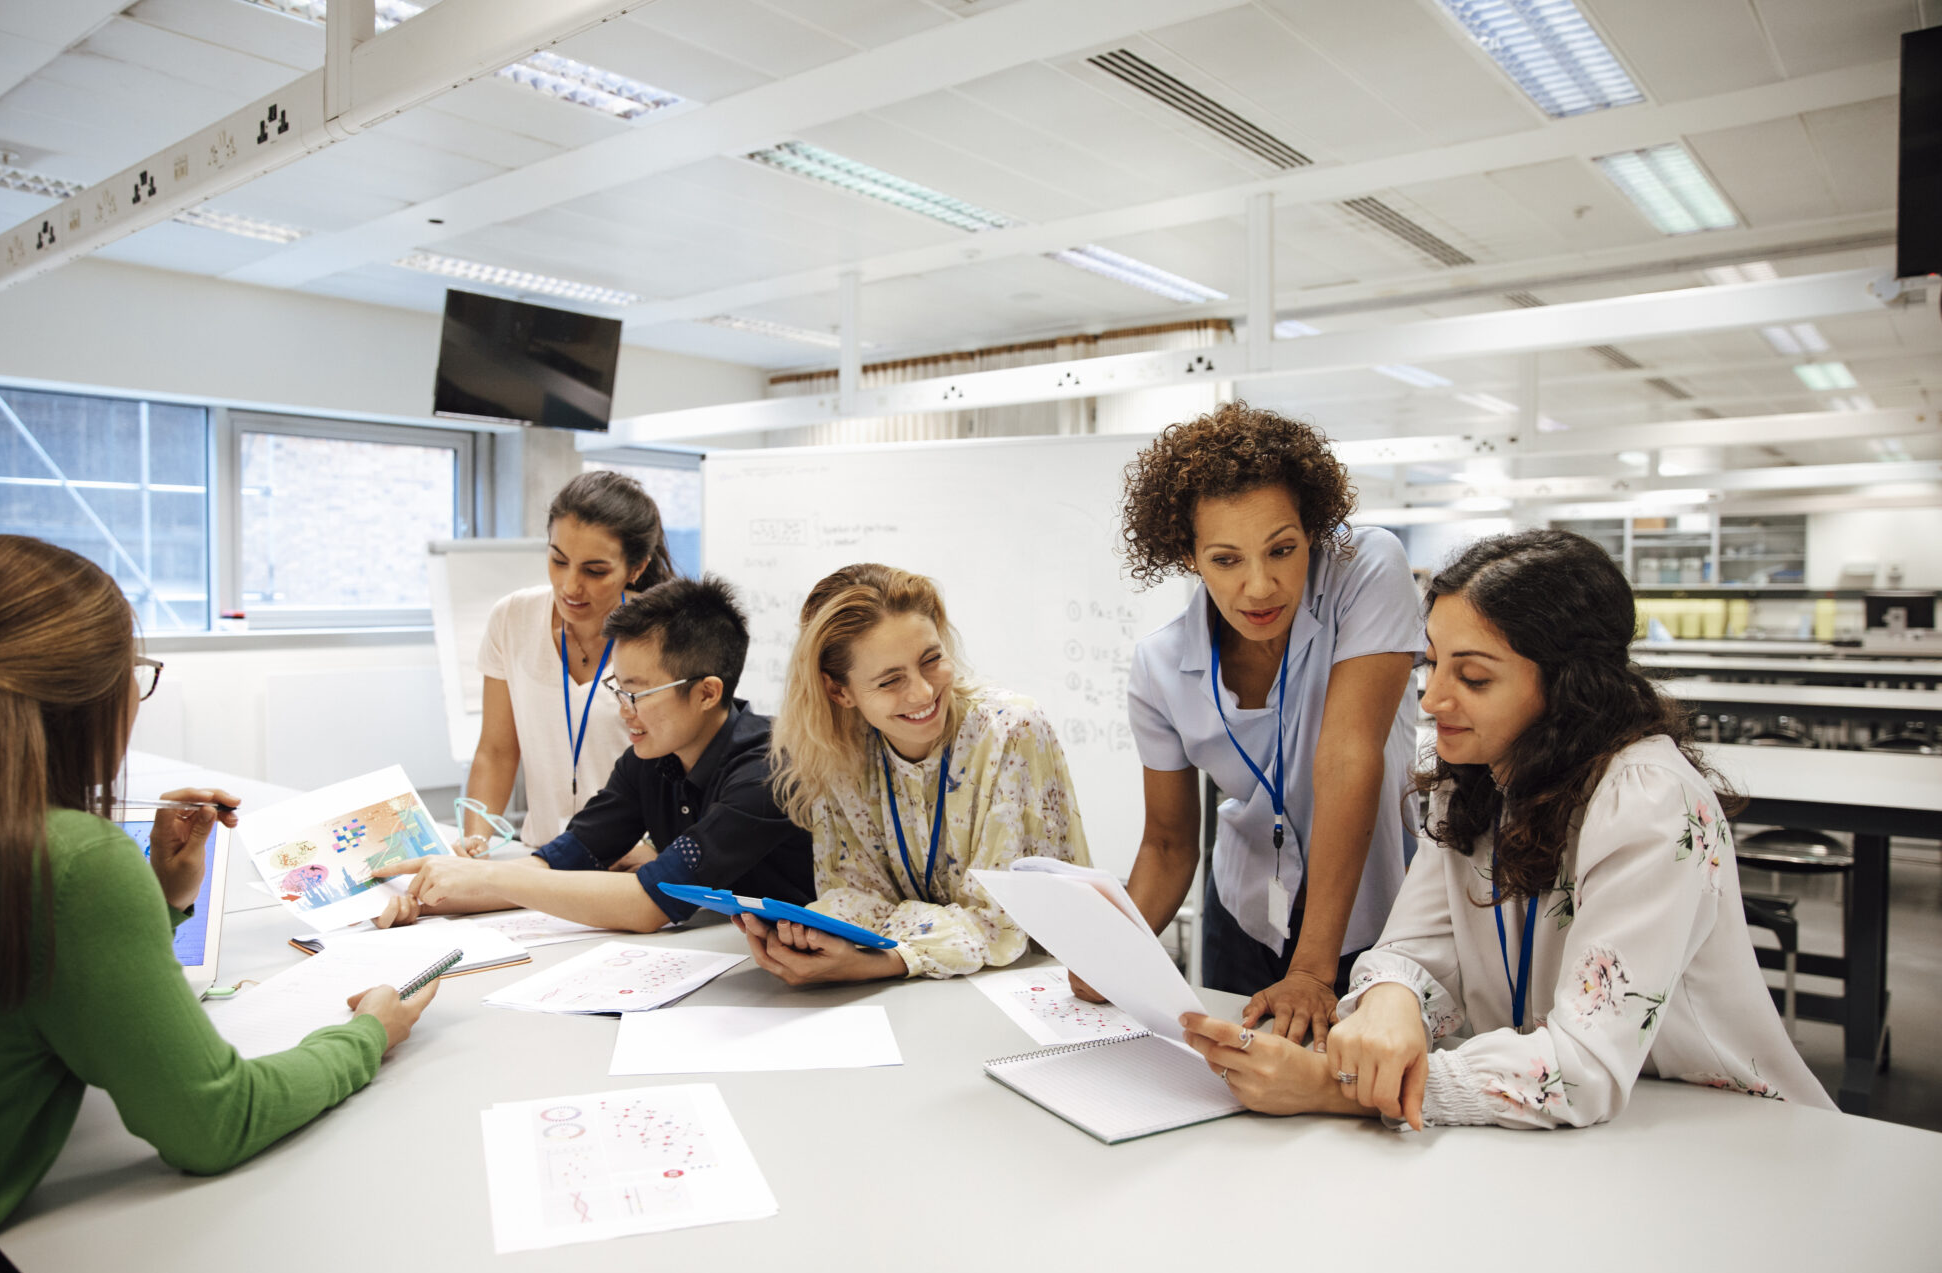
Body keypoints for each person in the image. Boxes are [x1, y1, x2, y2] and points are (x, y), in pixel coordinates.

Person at [0, 537, 435, 1273]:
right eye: (135, 677)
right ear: (86, 698)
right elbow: (213, 1121)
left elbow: (7, 981)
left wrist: (159, 892)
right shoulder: (67, 862)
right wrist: (369, 1035)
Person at [1179, 529, 1835, 1128]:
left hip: (1718, 1134)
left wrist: (1334, 1083)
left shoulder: (1647, 804)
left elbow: (1583, 1068)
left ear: (1567, 686)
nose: (1434, 699)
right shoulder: (1476, 777)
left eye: (1472, 676)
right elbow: (1413, 949)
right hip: (1550, 1139)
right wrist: (1389, 999)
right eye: (1431, 664)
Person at [1108, 402, 1421, 1045]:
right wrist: (1113, 956)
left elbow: (1348, 756)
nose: (1259, 587)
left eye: (1282, 549)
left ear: (1312, 529)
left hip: (1373, 911)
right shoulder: (1161, 665)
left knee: (1352, 1106)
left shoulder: (1366, 570)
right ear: (1188, 555)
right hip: (1244, 915)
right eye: (1226, 559)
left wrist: (1311, 968)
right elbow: (1168, 846)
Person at [374, 575, 813, 932]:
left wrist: (485, 875)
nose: (623, 711)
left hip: (820, 980)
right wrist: (427, 897)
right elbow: (552, 865)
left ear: (706, 693)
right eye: (617, 688)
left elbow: (649, 903)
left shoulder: (768, 770)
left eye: (637, 693)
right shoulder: (651, 757)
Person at [747, 563, 1090, 985]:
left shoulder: (1008, 728)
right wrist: (807, 933)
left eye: (931, 660)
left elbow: (1000, 923)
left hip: (1035, 987)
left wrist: (878, 959)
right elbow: (855, 898)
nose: (923, 692)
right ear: (839, 691)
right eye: (890, 681)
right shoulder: (839, 749)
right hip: (915, 989)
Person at [456, 470, 673, 857]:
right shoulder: (512, 618)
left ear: (636, 568)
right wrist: (476, 842)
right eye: (559, 561)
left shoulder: (664, 637)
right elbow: (497, 750)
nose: (570, 587)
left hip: (631, 862)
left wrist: (656, 850)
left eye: (595, 571)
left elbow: (683, 767)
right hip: (541, 856)